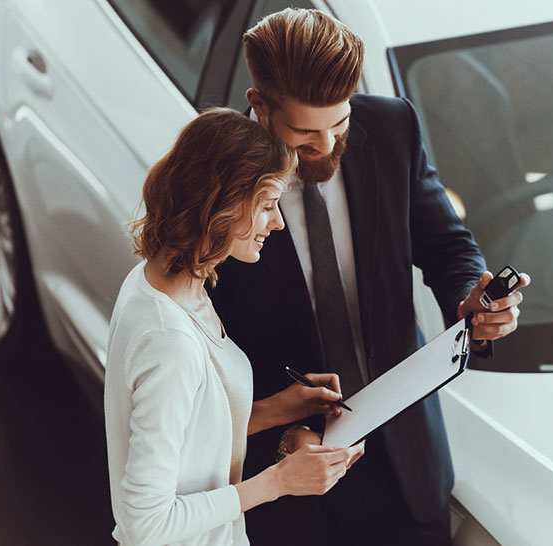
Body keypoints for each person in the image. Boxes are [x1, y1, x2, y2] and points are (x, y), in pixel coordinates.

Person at [209, 8, 531, 545]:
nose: (329, 145)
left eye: (340, 123)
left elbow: (446, 244)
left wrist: (470, 296)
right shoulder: (216, 179)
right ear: (258, 106)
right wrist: (283, 435)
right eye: (305, 133)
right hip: (290, 479)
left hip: (409, 463)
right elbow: (204, 352)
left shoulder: (390, 127)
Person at [104, 108, 364, 546]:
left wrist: (283, 407)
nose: (278, 222)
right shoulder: (169, 342)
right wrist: (279, 481)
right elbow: (144, 524)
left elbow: (192, 429)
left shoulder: (167, 281)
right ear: (222, 202)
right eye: (266, 205)